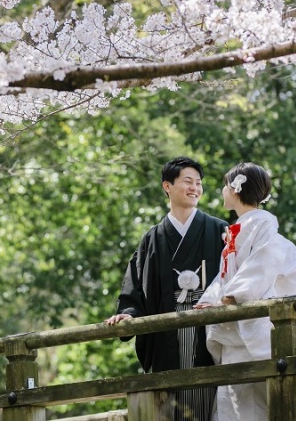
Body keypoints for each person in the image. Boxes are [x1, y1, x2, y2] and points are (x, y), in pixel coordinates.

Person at [105, 156, 227, 421]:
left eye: (198, 182)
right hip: (167, 334)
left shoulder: (219, 230)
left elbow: (234, 277)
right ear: (167, 186)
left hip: (207, 328)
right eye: (187, 181)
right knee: (169, 406)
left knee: (208, 400)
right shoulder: (152, 238)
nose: (195, 187)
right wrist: (129, 313)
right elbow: (135, 286)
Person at [193, 162, 296, 421]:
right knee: (231, 405)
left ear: (236, 188)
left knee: (256, 407)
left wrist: (230, 298)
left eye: (224, 185)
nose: (222, 191)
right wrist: (210, 300)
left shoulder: (268, 235)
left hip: (253, 331)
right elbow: (225, 278)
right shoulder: (239, 232)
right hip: (236, 334)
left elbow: (260, 268)